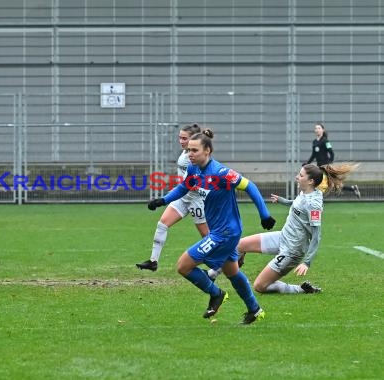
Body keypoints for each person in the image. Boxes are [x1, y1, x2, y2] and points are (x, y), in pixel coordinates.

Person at [147, 129, 276, 324]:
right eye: (189, 150)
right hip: (221, 231)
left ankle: (216, 294)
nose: (190, 154)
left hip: (225, 233)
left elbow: (250, 186)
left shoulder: (222, 173)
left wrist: (264, 215)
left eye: (194, 150)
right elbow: (184, 187)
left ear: (207, 151)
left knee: (183, 266)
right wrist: (162, 200)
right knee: (232, 272)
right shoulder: (194, 169)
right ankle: (255, 309)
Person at [231, 163, 359, 295]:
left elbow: (316, 235)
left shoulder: (313, 204)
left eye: (301, 175)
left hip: (292, 250)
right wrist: (283, 201)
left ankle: (301, 289)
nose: (297, 177)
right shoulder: (306, 192)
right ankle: (212, 275)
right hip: (283, 237)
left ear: (310, 181)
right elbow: (297, 202)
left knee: (259, 286)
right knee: (240, 245)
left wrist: (307, 262)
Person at [136, 123, 209, 272]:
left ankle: (230, 259)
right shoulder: (185, 153)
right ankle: (153, 261)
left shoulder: (195, 157)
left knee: (208, 238)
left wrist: (198, 186)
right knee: (162, 224)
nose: (181, 141)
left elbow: (203, 177)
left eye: (184, 138)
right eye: (180, 138)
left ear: (193, 139)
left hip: (196, 201)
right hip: (183, 198)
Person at [304, 123, 360, 198]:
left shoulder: (325, 141)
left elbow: (332, 153)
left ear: (323, 130)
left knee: (325, 183)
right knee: (333, 184)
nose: (317, 130)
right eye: (316, 128)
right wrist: (307, 163)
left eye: (319, 128)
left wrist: (329, 164)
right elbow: (313, 155)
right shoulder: (314, 142)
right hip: (319, 167)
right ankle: (352, 188)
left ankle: (316, 198)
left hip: (325, 167)